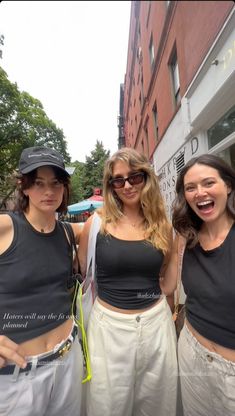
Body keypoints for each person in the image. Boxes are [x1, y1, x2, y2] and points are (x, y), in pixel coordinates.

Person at [78, 147, 179, 416]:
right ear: (110, 186)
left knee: (157, 404)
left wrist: (179, 247)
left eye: (134, 177)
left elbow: (168, 285)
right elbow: (81, 272)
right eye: (118, 180)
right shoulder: (97, 224)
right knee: (107, 406)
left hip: (156, 325)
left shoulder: (163, 226)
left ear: (146, 178)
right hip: (108, 329)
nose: (127, 185)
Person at [0, 146, 83, 416]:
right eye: (38, 183)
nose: (48, 191)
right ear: (23, 187)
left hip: (68, 360)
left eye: (55, 183)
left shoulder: (70, 232)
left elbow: (112, 224)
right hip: (18, 376)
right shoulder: (6, 226)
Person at [161, 153, 235, 415]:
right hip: (191, 351)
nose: (199, 193)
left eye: (208, 183)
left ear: (227, 185)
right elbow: (168, 286)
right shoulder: (186, 237)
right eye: (190, 188)